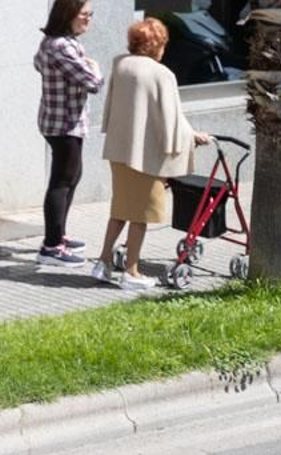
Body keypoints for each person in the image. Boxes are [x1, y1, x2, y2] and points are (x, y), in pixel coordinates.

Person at [92, 17, 210, 290]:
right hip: (145, 156)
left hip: (119, 150)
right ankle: (131, 272)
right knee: (142, 215)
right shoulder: (161, 74)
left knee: (120, 209)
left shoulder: (121, 64)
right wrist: (193, 137)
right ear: (156, 44)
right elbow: (172, 119)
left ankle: (103, 262)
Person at [35, 0, 104, 267]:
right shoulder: (61, 46)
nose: (88, 20)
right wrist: (94, 66)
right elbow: (93, 82)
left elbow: (36, 64)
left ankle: (58, 234)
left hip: (62, 122)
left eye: (90, 14)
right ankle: (51, 246)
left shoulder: (55, 42)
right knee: (62, 182)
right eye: (84, 15)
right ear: (67, 16)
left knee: (71, 177)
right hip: (63, 124)